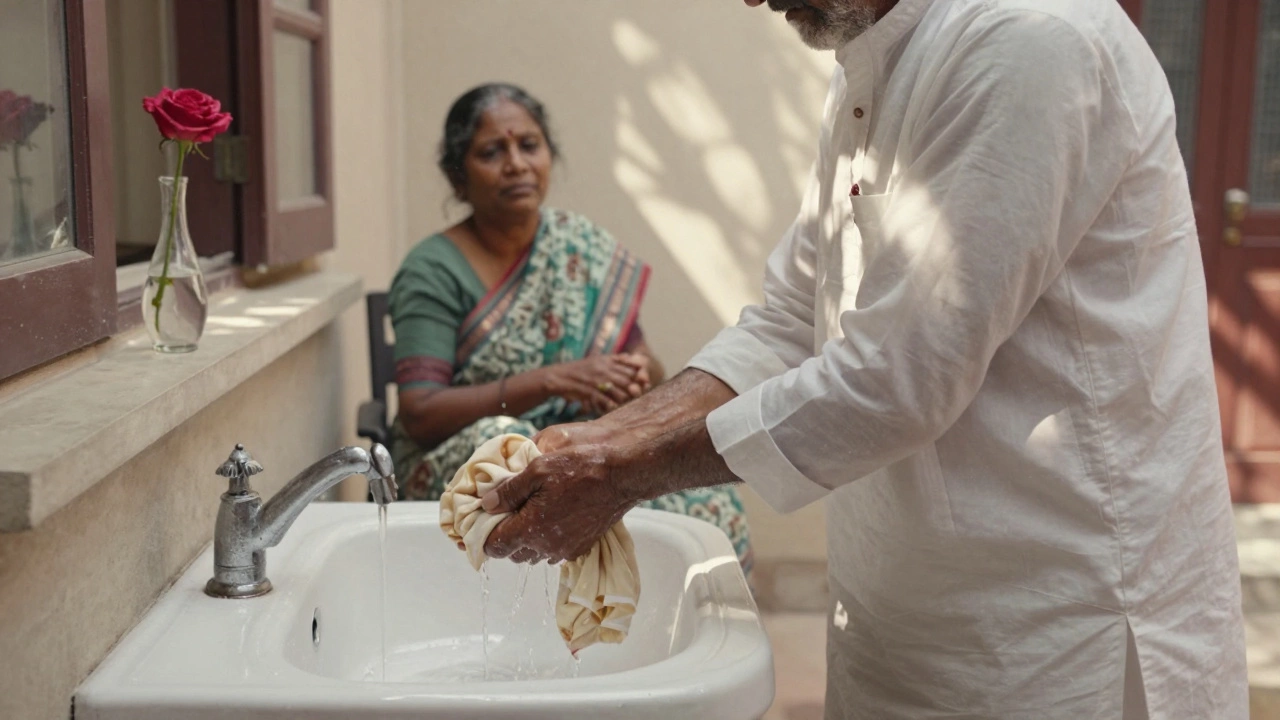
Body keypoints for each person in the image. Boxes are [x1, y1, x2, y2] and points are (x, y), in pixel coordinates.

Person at [478, 1, 1248, 718]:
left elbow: (894, 380)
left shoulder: (1027, 39)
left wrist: (620, 472)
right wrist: (604, 442)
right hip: (907, 614)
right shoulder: (873, 64)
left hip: (1051, 625)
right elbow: (790, 319)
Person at [387, 83, 754, 574]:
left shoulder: (579, 248)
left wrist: (622, 378)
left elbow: (645, 363)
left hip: (577, 443)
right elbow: (421, 413)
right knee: (514, 448)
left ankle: (676, 633)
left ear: (549, 157)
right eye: (492, 152)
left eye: (529, 146)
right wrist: (552, 380)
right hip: (468, 463)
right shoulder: (433, 269)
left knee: (699, 497)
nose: (516, 163)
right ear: (458, 177)